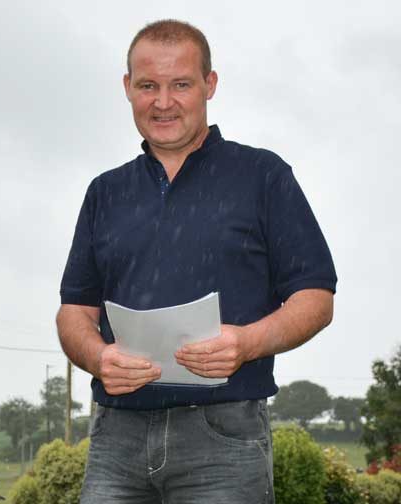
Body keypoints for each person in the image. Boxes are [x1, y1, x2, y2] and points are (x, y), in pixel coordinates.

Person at [57, 19, 336, 503]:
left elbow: (316, 297)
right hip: (115, 436)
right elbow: (74, 313)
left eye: (180, 84)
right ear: (128, 88)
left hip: (225, 437)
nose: (163, 102)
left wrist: (247, 342)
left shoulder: (262, 175)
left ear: (210, 84)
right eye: (148, 85)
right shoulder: (105, 192)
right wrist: (98, 357)